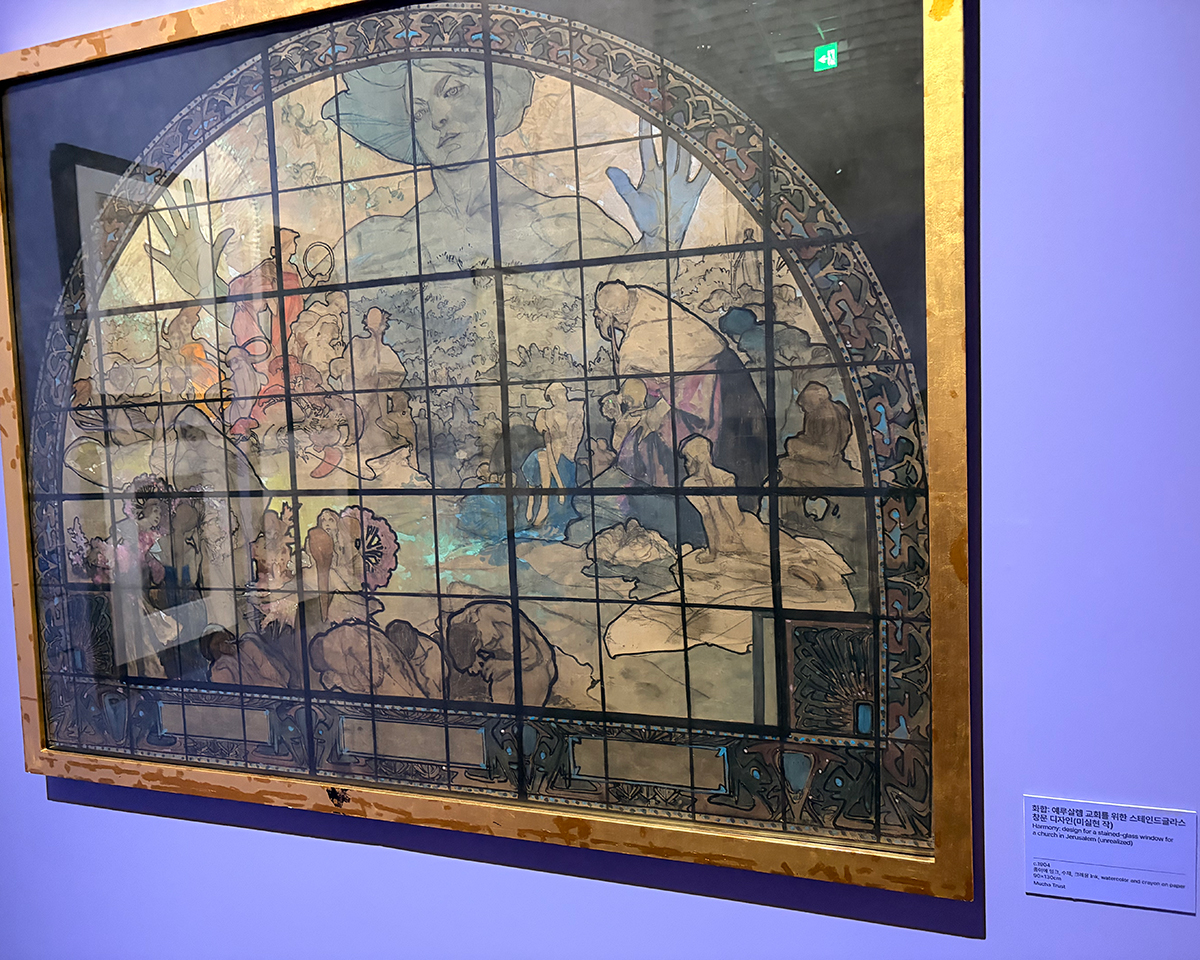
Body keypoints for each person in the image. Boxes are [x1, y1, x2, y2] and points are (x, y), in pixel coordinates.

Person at [593, 280, 768, 503]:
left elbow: (679, 385)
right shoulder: (644, 301)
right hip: (710, 386)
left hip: (707, 396)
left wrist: (653, 412)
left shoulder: (639, 338)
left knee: (667, 441)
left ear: (615, 317)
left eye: (603, 316)